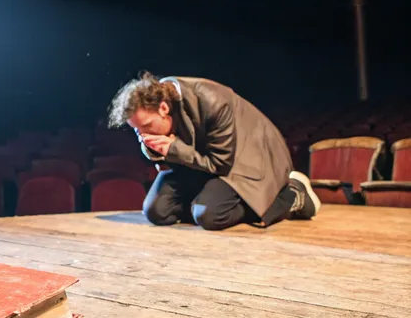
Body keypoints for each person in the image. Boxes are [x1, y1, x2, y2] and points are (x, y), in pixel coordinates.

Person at [108, 72, 320, 231]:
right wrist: (158, 149)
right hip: (198, 162)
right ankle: (206, 202)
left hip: (243, 160)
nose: (143, 135)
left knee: (210, 216)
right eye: (137, 130)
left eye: (146, 126)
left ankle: (293, 194)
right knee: (157, 211)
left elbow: (220, 163)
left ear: (163, 108)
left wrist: (174, 149)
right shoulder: (155, 116)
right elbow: (168, 159)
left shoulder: (212, 101)